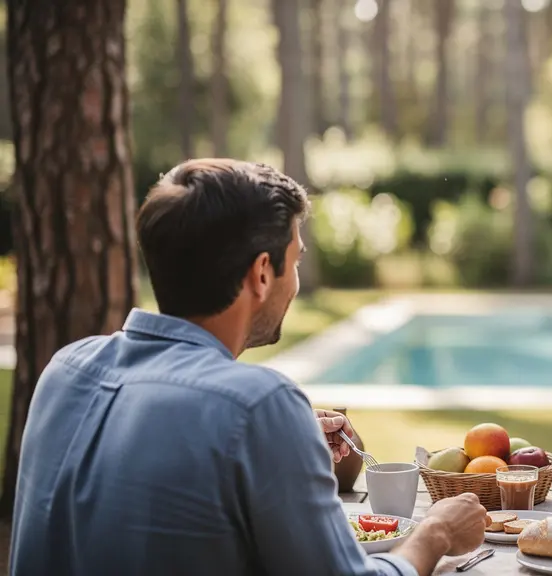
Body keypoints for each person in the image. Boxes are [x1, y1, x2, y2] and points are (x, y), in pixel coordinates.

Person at [9, 159, 490, 576]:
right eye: (295, 261)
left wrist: (283, 442)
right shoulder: (258, 406)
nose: (296, 281)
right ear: (262, 274)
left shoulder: (65, 371)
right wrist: (436, 534)